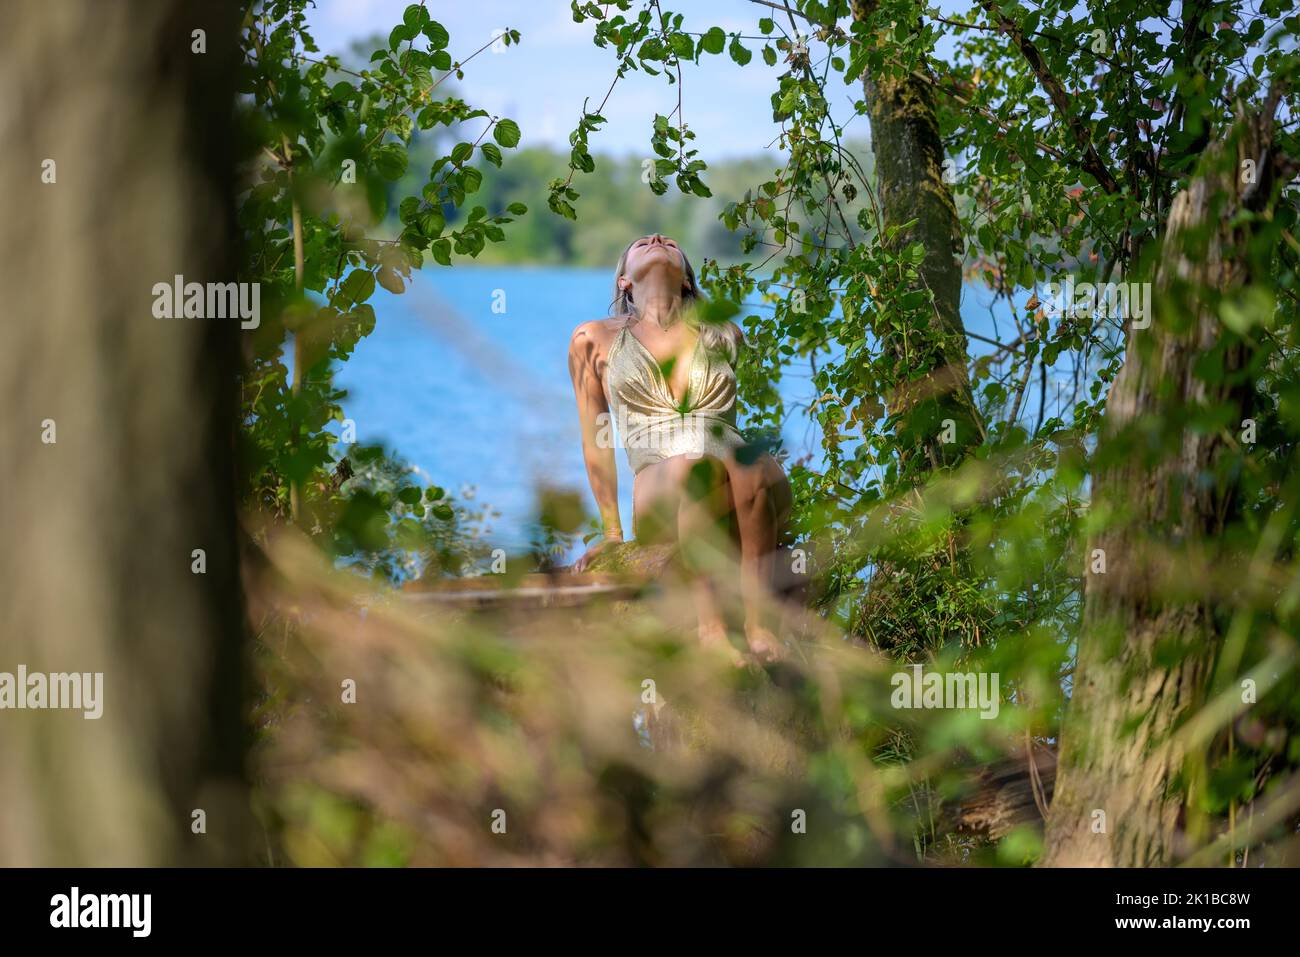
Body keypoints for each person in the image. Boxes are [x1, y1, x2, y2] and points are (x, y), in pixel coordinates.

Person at [567, 234, 792, 663]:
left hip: (743, 481)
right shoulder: (591, 338)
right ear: (623, 282)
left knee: (750, 462)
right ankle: (709, 629)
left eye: (668, 242)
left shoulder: (724, 333)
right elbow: (596, 438)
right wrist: (612, 533)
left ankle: (759, 624)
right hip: (661, 479)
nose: (655, 239)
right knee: (697, 465)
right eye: (639, 243)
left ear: (687, 281)